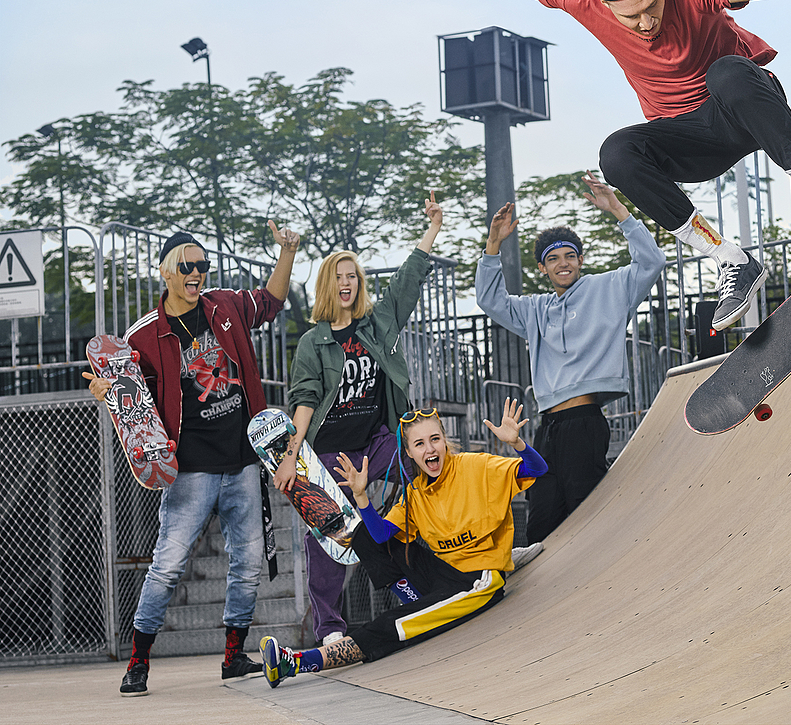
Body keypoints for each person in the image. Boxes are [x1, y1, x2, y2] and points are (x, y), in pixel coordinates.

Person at [346, 0, 791, 331]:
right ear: (602, 2)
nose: (645, 23)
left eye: (651, 7)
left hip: (743, 110)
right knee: (616, 153)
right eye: (630, 16)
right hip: (686, 141)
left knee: (729, 72)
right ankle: (730, 260)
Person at [85, 221, 300, 696]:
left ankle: (232, 657)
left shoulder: (224, 306)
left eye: (202, 265)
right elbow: (127, 395)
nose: (197, 272)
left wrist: (285, 252)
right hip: (190, 471)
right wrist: (106, 391)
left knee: (246, 562)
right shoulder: (143, 335)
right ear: (165, 271)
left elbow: (270, 300)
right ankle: (138, 663)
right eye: (187, 265)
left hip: (243, 459)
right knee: (167, 565)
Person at [259, 401, 546, 685]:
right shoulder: (416, 493)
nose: (430, 449)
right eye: (420, 444)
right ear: (408, 452)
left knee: (394, 623)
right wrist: (361, 499)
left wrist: (517, 443)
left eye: (435, 440)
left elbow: (537, 469)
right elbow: (381, 536)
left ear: (445, 442)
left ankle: (297, 663)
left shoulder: (476, 466)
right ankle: (417, 601)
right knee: (361, 534)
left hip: (475, 581)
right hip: (439, 574)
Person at [277, 194, 444, 646]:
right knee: (328, 535)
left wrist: (432, 228)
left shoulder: (378, 324)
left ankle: (452, 556)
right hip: (330, 452)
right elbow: (306, 400)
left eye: (353, 277)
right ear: (327, 287)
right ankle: (329, 627)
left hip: (376, 441)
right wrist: (292, 458)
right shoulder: (313, 343)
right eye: (339, 278)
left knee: (425, 461)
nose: (347, 284)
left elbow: (408, 281)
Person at [477, 173, 665, 543]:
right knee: (542, 517)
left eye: (569, 256)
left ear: (579, 260)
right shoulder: (535, 310)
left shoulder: (608, 289)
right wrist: (493, 244)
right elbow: (490, 301)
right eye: (553, 259)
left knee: (586, 514)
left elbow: (651, 263)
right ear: (543, 268)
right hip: (547, 428)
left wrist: (619, 212)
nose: (563, 264)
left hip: (584, 422)